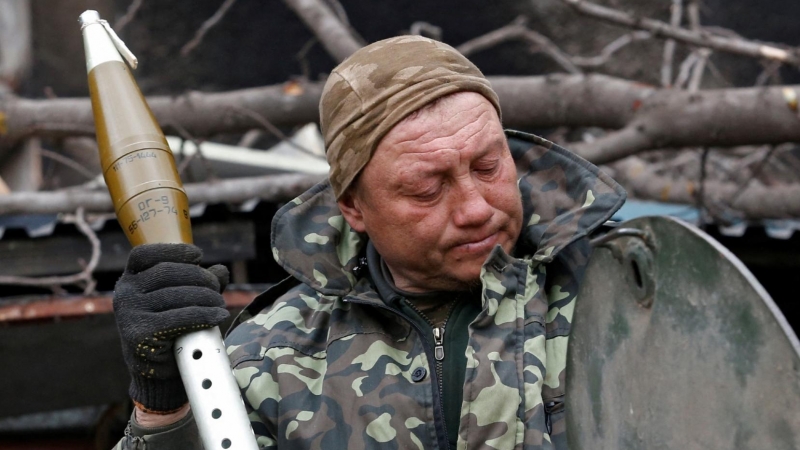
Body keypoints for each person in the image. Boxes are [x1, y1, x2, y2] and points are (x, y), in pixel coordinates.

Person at [113, 36, 625, 450]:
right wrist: (162, 413)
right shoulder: (268, 361)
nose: (475, 209)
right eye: (428, 189)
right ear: (353, 207)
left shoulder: (623, 293)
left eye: (488, 166)